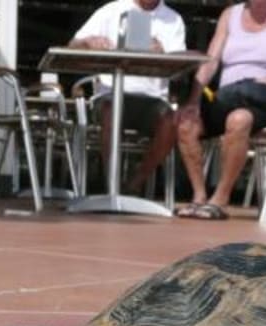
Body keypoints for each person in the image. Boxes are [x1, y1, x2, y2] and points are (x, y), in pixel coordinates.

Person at [174, 0, 266, 220]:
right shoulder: (230, 14)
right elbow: (210, 63)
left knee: (238, 120)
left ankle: (220, 198)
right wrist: (193, 101)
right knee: (185, 122)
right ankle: (199, 196)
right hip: (230, 96)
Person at [69, 0, 186, 195]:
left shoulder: (174, 20)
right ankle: (111, 186)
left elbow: (181, 71)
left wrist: (163, 54)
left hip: (152, 99)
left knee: (172, 121)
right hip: (110, 93)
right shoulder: (111, 10)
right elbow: (72, 46)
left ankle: (134, 183)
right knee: (110, 110)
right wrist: (87, 42)